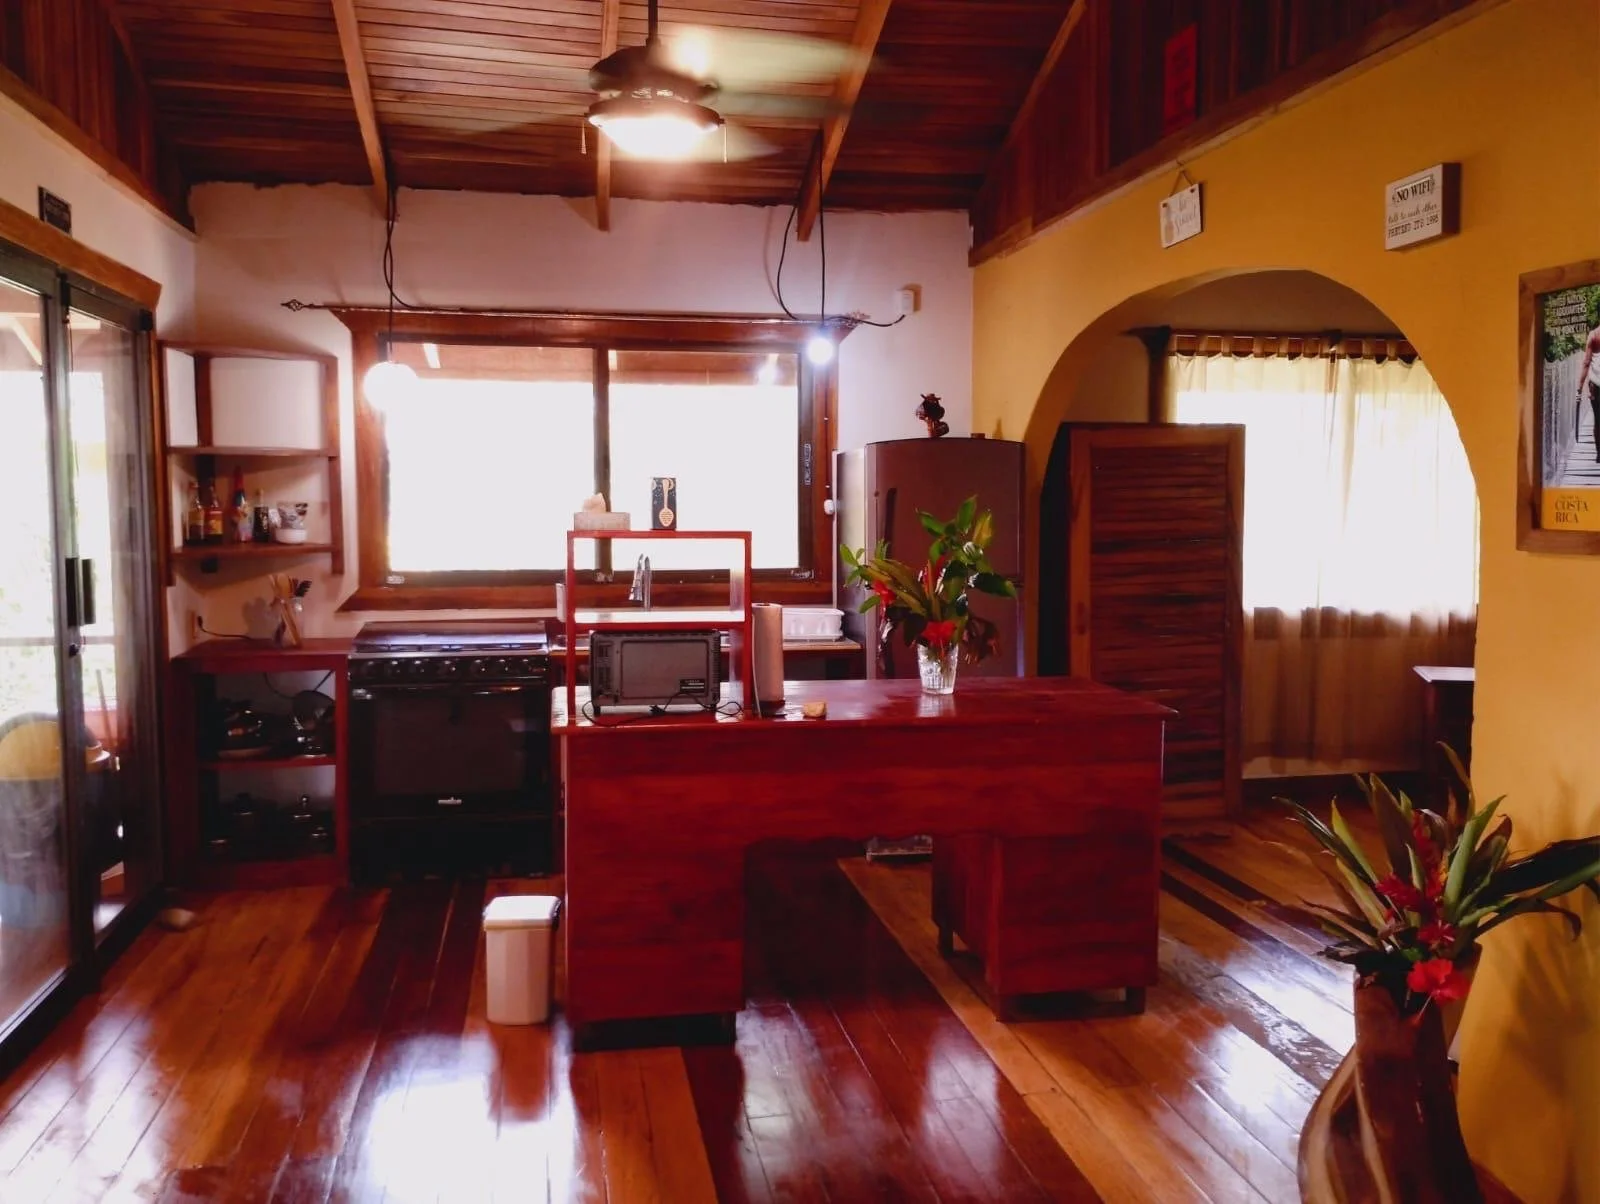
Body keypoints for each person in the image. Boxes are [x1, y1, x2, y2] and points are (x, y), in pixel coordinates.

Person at [1577, 319, 1600, 463]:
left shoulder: (1594, 335)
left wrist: (1579, 387)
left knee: (1598, 420)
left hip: (1596, 384)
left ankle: (1599, 453)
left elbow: (1586, 362)